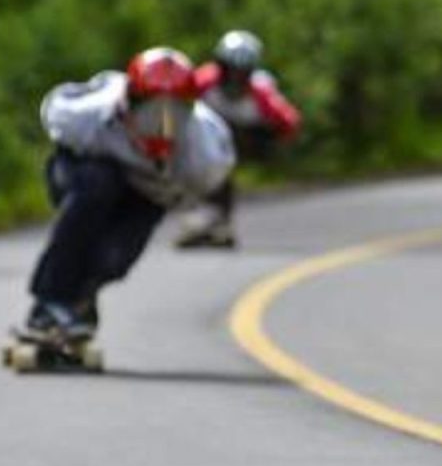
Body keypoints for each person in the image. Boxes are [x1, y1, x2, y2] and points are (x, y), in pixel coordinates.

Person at [20, 47, 236, 340]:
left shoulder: (204, 154)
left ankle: (80, 300)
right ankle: (50, 301)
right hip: (88, 174)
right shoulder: (88, 117)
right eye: (152, 113)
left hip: (147, 194)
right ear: (129, 103)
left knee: (113, 260)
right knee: (97, 188)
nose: (163, 126)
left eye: (176, 114)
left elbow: (198, 192)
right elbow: (55, 118)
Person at [175, 30, 303, 248]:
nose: (235, 77)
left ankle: (218, 221)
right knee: (197, 166)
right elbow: (175, 103)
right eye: (230, 70)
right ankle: (198, 216)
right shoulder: (203, 81)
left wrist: (270, 136)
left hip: (240, 144)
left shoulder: (262, 92)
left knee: (222, 168)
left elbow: (289, 121)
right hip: (200, 140)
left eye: (242, 72)